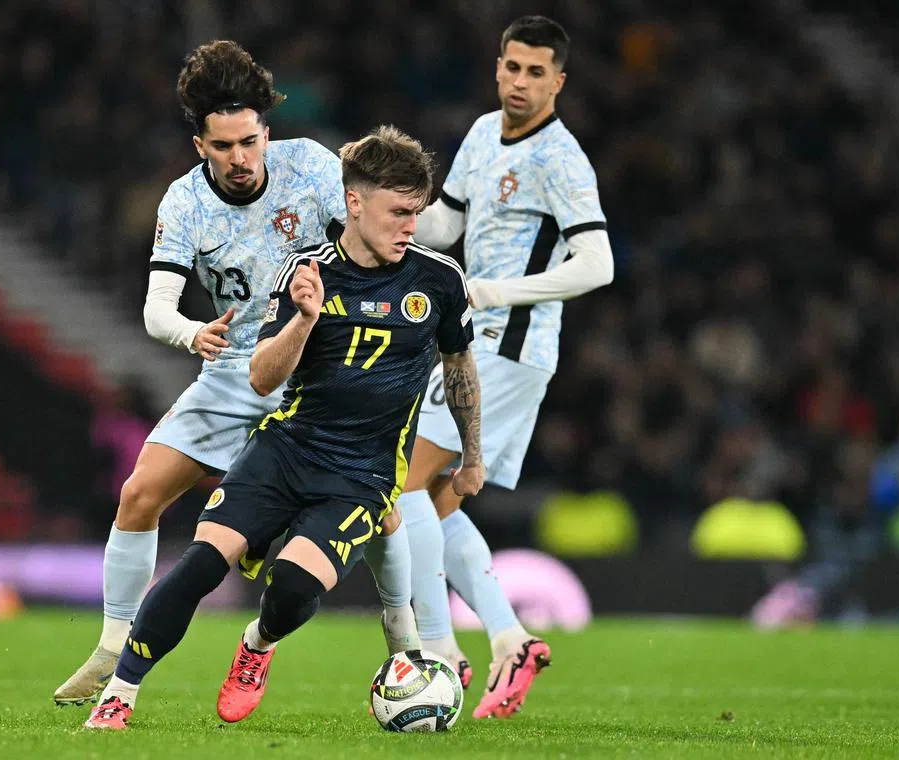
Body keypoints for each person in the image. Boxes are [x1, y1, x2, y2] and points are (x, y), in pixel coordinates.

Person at [83, 125, 483, 730]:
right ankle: (120, 692)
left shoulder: (438, 280)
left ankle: (259, 644)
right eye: (399, 212)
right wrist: (302, 319)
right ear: (355, 202)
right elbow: (263, 380)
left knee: (293, 586)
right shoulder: (308, 270)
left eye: (417, 212)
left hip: (361, 474)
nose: (411, 225)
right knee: (198, 564)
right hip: (286, 449)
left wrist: (472, 455)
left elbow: (460, 370)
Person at [54, 40, 365, 705]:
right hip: (233, 370)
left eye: (249, 141)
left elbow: (368, 257)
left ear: (266, 132)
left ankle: (414, 647)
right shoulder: (184, 204)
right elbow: (155, 311)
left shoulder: (310, 167)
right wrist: (194, 332)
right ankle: (112, 648)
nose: (240, 157)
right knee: (140, 494)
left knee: (391, 513)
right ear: (201, 145)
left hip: (318, 368)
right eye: (223, 146)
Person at [400, 15, 614, 718]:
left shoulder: (562, 159)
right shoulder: (482, 132)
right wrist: (384, 212)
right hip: (468, 340)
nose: (520, 82)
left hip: (511, 348)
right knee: (432, 502)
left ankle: (437, 650)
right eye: (511, 67)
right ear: (498, 68)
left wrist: (499, 290)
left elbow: (597, 265)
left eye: (535, 71)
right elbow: (446, 227)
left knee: (402, 484)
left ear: (559, 80)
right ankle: (508, 638)